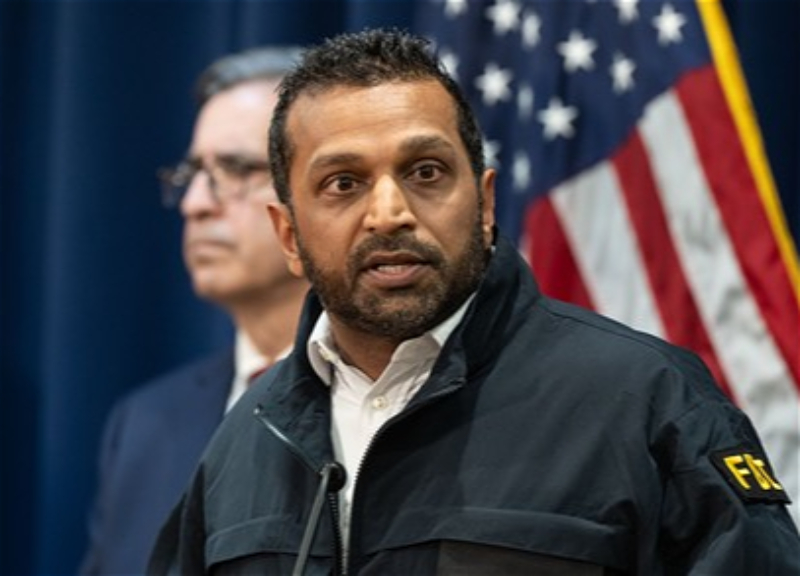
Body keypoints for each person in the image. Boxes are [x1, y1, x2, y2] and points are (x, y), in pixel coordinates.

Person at [148, 29, 800, 575]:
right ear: (290, 235)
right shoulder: (245, 436)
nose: (389, 213)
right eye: (343, 183)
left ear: (485, 204)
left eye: (425, 172)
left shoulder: (649, 400)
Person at [80, 46, 309, 575]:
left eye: (235, 169)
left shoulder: (398, 404)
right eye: (194, 173)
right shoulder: (143, 424)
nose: (195, 204)